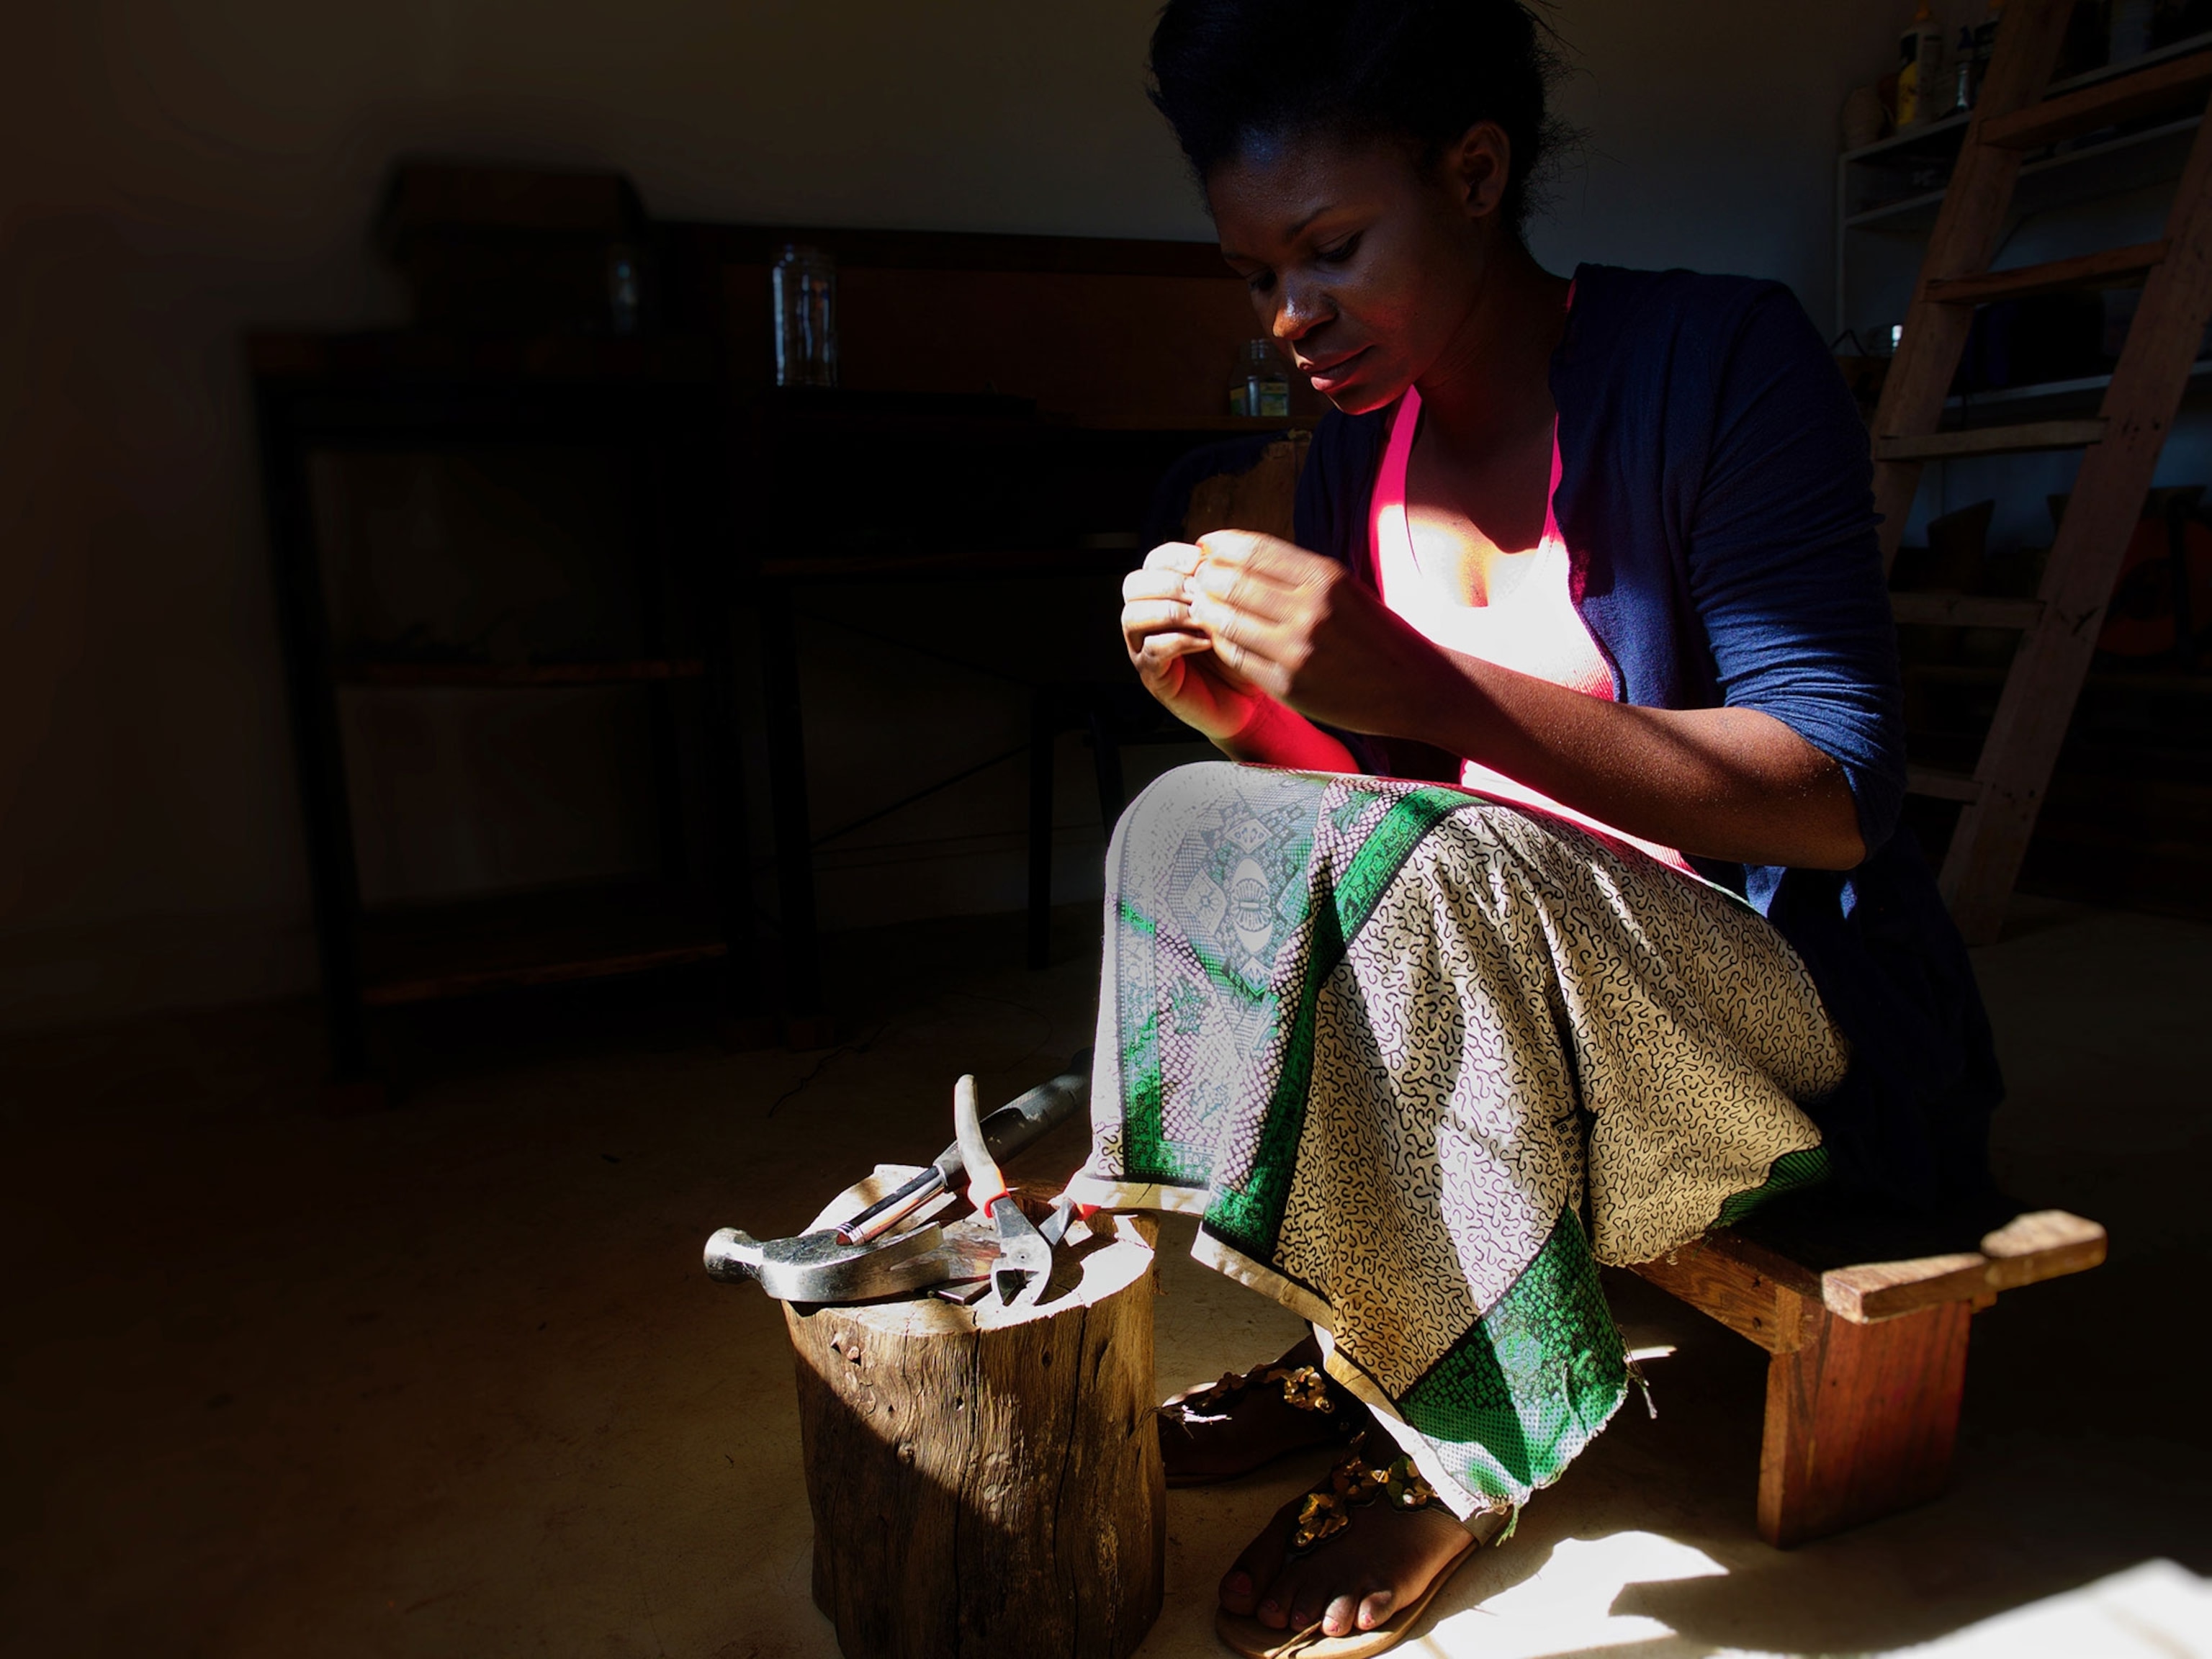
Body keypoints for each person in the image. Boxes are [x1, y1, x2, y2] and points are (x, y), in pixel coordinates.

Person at [1061, 1, 2005, 1653]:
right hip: (1500, 974)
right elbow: (1371, 825)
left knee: (1432, 868)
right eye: (1252, 274)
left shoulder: (1721, 362)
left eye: (1332, 248)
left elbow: (1837, 797)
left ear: (1477, 171)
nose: (1293, 313)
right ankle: (1375, 1310)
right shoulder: (1368, 450)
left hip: (1766, 1030)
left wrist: (1424, 681)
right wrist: (1245, 725)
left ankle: (1460, 1433)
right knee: (1188, 825)